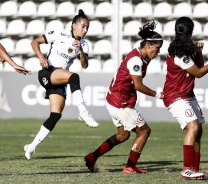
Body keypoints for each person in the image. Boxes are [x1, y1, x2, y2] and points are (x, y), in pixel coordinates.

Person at [84, 20, 163, 174]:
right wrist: (159, 94)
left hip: (114, 99)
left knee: (123, 135)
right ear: (148, 46)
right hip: (121, 102)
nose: (158, 52)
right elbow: (138, 85)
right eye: (157, 48)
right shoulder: (136, 60)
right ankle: (130, 166)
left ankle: (92, 157)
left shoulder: (139, 55)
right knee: (144, 131)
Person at [24, 9, 99, 160]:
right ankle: (83, 112)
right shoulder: (60, 34)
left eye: (87, 28)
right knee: (74, 77)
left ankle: (31, 147)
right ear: (73, 25)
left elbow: (85, 65)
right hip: (48, 72)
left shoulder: (84, 44)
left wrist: (81, 51)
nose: (85, 30)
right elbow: (35, 42)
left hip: (60, 78)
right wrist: (40, 57)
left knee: (55, 115)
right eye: (83, 26)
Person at [162, 17, 208, 180]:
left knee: (199, 131)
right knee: (193, 127)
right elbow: (199, 73)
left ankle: (195, 169)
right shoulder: (179, 51)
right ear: (190, 31)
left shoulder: (185, 46)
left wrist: (198, 52)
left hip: (187, 94)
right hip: (175, 96)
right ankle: (186, 169)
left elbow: (198, 65)